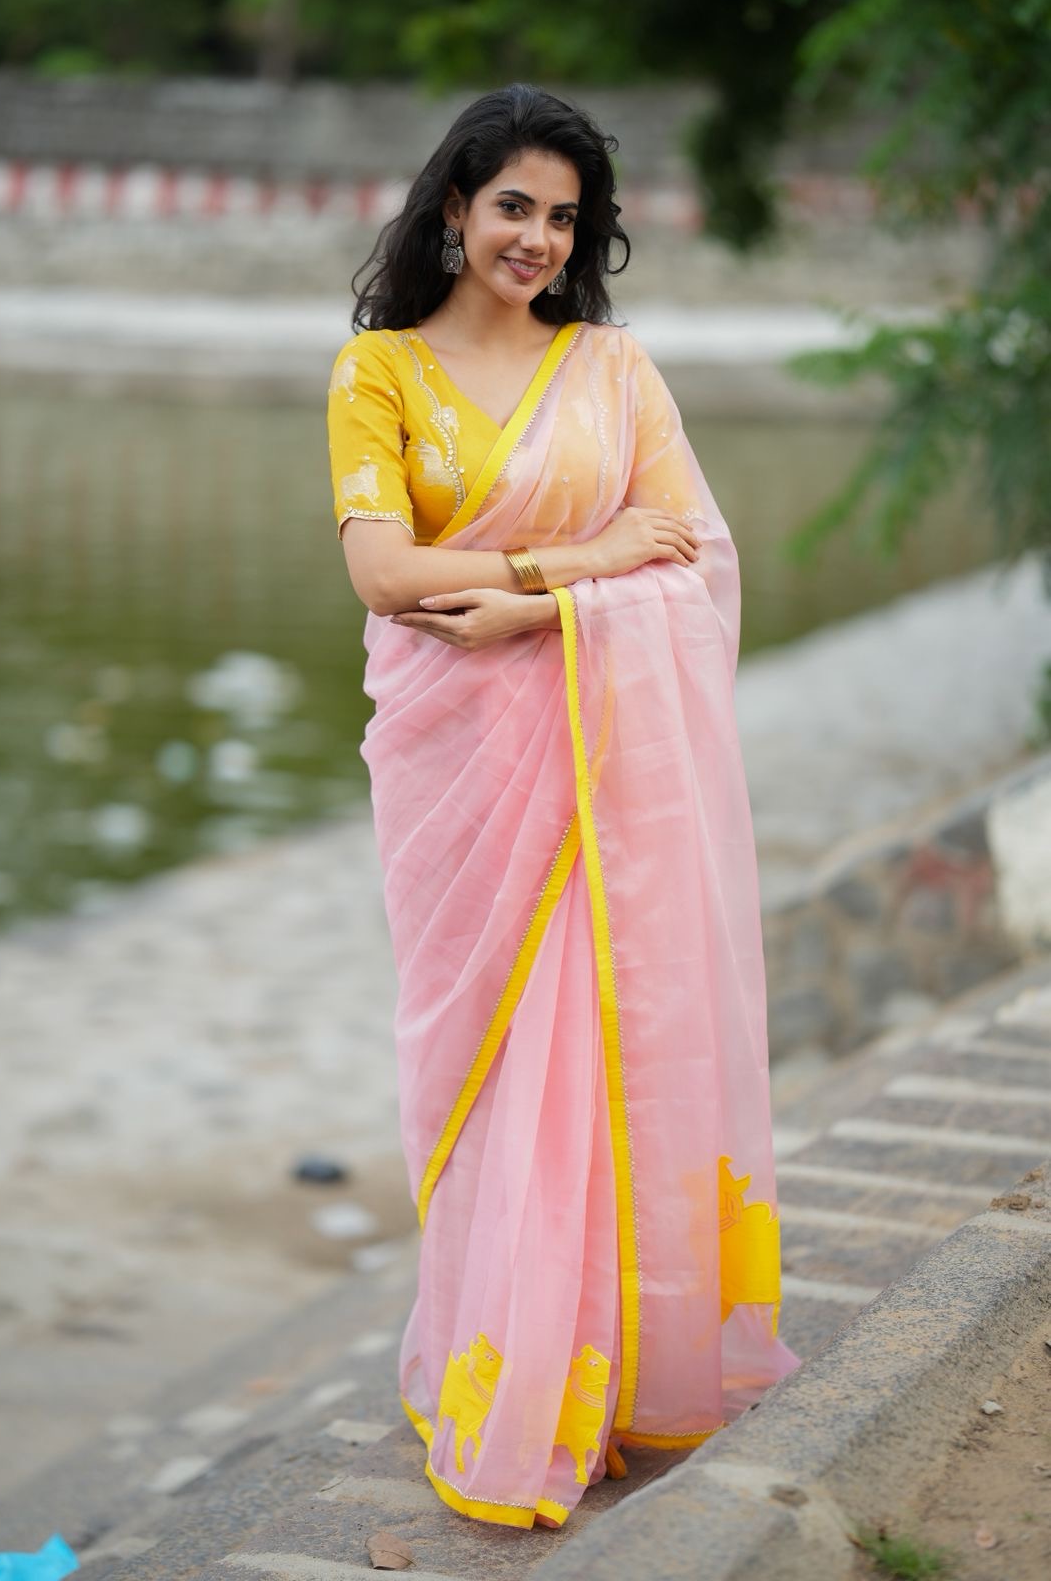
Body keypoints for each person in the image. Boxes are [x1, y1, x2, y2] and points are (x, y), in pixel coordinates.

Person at [325, 82, 802, 1532]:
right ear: (454, 206)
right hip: (454, 770)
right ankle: (510, 1376)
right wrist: (580, 557)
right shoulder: (381, 374)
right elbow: (385, 578)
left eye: (564, 217)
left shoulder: (613, 371)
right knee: (485, 1073)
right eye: (513, 206)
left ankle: (614, 1375)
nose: (536, 238)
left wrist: (532, 600)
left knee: (606, 1046)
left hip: (598, 762)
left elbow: (695, 561)